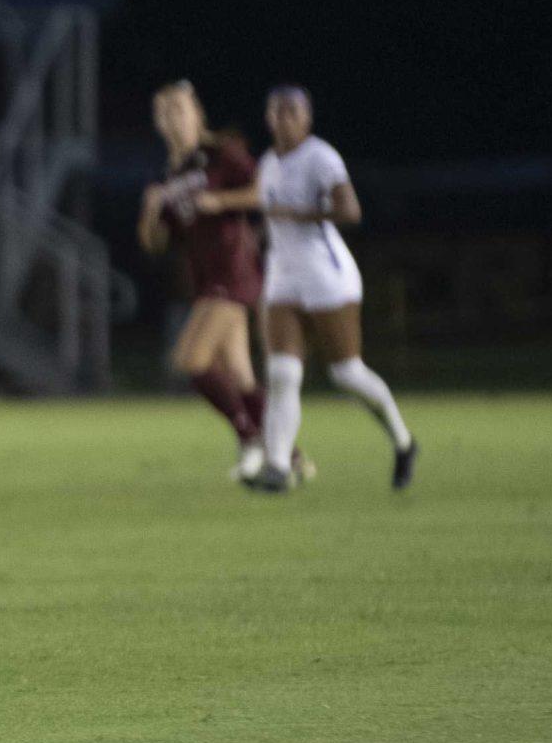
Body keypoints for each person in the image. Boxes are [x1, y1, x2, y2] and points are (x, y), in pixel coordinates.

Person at [249, 86, 415, 493]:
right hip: (283, 274)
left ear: (307, 118)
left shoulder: (320, 157)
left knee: (346, 373)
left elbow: (350, 210)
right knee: (282, 373)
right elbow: (270, 219)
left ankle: (403, 441)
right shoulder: (267, 162)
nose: (283, 118)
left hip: (325, 273)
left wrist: (297, 213)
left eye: (292, 111)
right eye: (276, 111)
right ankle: (276, 467)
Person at [137, 81, 270, 480]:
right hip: (207, 279)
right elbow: (155, 243)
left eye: (179, 109)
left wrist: (222, 201)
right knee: (242, 375)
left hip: (234, 272)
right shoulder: (169, 173)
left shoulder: (220, 153)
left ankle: (250, 439)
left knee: (190, 360)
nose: (172, 119)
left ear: (197, 115)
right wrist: (149, 212)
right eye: (164, 113)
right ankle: (288, 456)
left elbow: (264, 191)